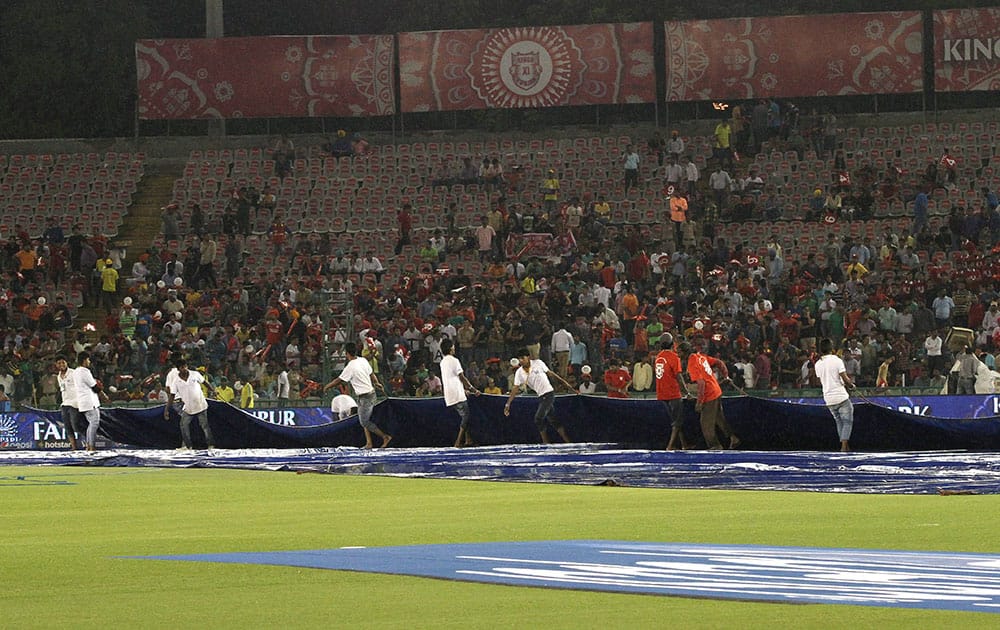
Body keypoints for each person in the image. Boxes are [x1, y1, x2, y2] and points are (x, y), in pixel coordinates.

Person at [324, 342, 391, 448]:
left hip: (366, 396)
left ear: (346, 353)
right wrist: (376, 382)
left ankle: (385, 437)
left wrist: (327, 386)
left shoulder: (350, 366)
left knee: (364, 421)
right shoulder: (363, 360)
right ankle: (369, 443)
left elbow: (339, 380)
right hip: (366, 395)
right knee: (363, 419)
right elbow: (371, 373)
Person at [504, 347, 574, 444]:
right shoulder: (519, 372)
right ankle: (568, 441)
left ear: (528, 357)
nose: (521, 361)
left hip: (548, 393)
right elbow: (515, 389)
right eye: (519, 359)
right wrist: (508, 404)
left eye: (522, 358)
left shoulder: (538, 363)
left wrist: (565, 383)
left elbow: (551, 373)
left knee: (538, 418)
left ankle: (546, 442)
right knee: (553, 420)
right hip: (541, 396)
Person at [679, 341, 739, 450]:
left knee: (705, 424)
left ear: (684, 352)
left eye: (679, 352)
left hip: (709, 394)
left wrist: (699, 402)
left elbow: (701, 384)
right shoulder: (700, 356)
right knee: (719, 418)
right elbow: (719, 362)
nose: (678, 355)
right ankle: (733, 438)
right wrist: (726, 376)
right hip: (716, 390)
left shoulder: (692, 362)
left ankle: (715, 446)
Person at [165, 356, 216, 450]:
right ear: (178, 369)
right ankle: (188, 446)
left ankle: (211, 445)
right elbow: (172, 395)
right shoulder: (176, 381)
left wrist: (213, 391)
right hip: (188, 408)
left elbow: (205, 382)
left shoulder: (195, 374)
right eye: (182, 367)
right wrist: (167, 409)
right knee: (183, 425)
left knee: (204, 426)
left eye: (185, 366)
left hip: (200, 404)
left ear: (187, 366)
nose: (184, 368)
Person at [814, 337, 856, 452]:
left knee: (839, 421)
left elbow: (818, 381)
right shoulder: (837, 360)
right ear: (831, 348)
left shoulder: (818, 364)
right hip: (840, 396)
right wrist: (852, 386)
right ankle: (843, 447)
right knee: (847, 422)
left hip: (828, 398)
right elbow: (845, 378)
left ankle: (846, 446)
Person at [440, 339, 481, 448]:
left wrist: (463, 390)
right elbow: (461, 377)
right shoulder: (454, 360)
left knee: (464, 416)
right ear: (450, 348)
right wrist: (473, 389)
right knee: (466, 416)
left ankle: (468, 440)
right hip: (457, 394)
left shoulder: (442, 362)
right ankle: (458, 442)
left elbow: (451, 379)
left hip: (449, 394)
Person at [654, 334, 691, 450]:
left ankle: (684, 444)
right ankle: (670, 446)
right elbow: (679, 377)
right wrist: (687, 392)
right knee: (677, 422)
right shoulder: (674, 357)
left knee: (675, 420)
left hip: (661, 393)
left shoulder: (658, 357)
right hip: (673, 393)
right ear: (672, 345)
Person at [72, 352, 102, 452]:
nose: (89, 362)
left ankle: (89, 446)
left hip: (83, 401)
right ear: (84, 360)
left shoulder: (75, 371)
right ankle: (91, 446)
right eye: (88, 360)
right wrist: (99, 386)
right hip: (90, 401)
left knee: (91, 423)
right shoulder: (85, 371)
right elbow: (95, 387)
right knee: (94, 423)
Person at [56, 357, 83, 450]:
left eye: (63, 362)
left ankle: (88, 443)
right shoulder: (58, 376)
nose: (61, 365)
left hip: (75, 403)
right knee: (67, 426)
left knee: (76, 425)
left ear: (67, 363)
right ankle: (74, 447)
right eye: (59, 363)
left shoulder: (73, 373)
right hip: (65, 403)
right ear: (56, 365)